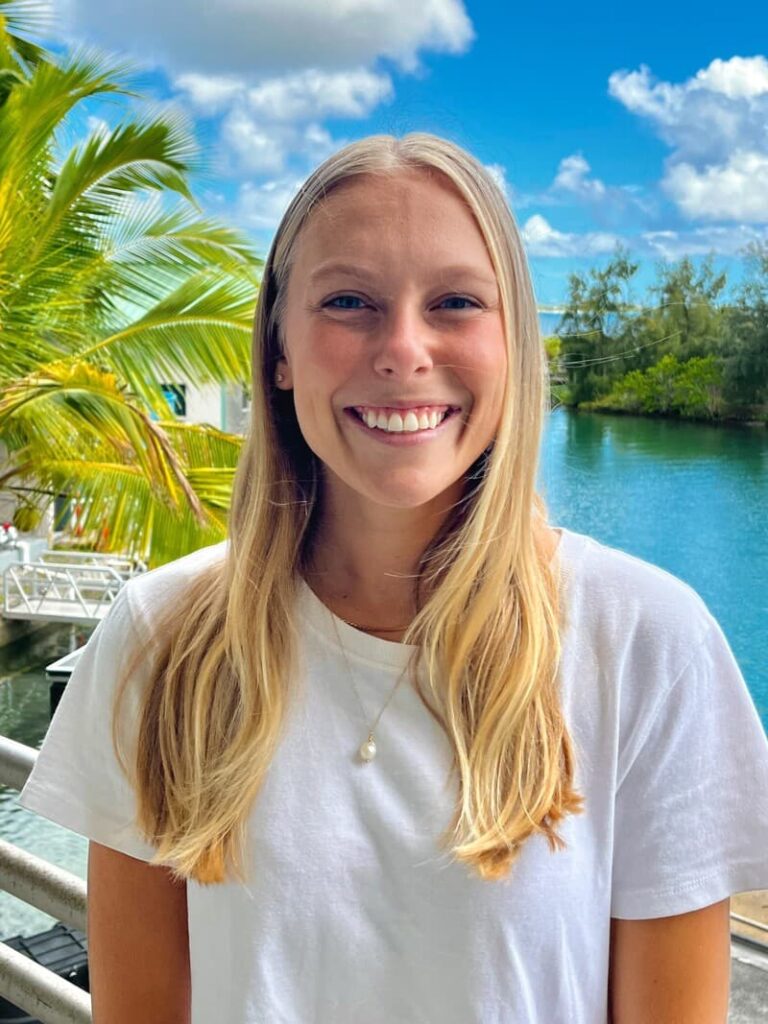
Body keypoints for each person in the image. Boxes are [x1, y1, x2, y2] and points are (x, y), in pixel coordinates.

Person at [18, 132, 768, 1024]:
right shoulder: (161, 637)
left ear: (515, 344)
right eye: (348, 301)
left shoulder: (648, 642)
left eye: (454, 301)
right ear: (280, 349)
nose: (403, 348)